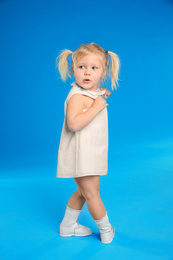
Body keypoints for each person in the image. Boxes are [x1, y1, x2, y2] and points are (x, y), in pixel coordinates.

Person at [56, 43, 120, 244]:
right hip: (81, 155)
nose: (87, 73)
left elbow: (91, 103)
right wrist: (97, 106)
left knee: (84, 192)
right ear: (72, 69)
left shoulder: (88, 94)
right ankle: (106, 229)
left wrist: (99, 96)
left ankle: (67, 226)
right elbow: (74, 123)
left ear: (103, 72)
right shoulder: (76, 96)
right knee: (92, 194)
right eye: (81, 67)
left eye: (94, 68)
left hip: (89, 153)